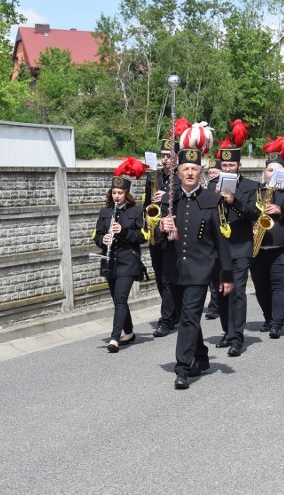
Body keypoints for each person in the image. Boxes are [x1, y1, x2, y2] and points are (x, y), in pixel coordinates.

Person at [156, 148, 233, 389]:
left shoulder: (213, 200)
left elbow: (222, 241)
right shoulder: (169, 200)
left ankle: (182, 367)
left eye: (194, 169)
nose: (190, 173)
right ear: (177, 173)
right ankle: (201, 356)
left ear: (201, 173)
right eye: (185, 169)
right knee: (187, 317)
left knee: (189, 318)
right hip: (173, 269)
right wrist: (161, 227)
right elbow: (155, 239)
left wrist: (226, 274)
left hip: (200, 270)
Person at [250, 153, 284, 338]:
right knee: (261, 286)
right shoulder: (255, 190)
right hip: (258, 246)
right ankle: (268, 317)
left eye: (277, 170)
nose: (273, 173)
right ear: (265, 172)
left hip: (283, 247)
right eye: (270, 170)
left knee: (280, 286)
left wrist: (281, 210)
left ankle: (277, 323)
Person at [214, 146, 259, 357]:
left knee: (238, 292)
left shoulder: (251, 186)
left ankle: (237, 338)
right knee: (222, 292)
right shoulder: (213, 186)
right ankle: (227, 331)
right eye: (225, 165)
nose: (228, 168)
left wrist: (235, 201)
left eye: (232, 165)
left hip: (240, 246)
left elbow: (255, 213)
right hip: (219, 249)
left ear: (239, 165)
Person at [94, 175, 145, 353]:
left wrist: (123, 231)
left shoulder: (137, 212)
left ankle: (115, 338)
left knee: (121, 299)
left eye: (120, 193)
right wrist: (103, 239)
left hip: (128, 261)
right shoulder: (105, 212)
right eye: (114, 192)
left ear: (126, 194)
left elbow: (142, 237)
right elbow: (96, 235)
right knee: (118, 300)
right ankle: (129, 332)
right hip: (111, 262)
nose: (116, 196)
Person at [147, 139, 180, 338]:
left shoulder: (182, 177)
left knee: (168, 278)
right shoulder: (154, 177)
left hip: (172, 232)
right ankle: (174, 312)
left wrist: (167, 198)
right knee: (160, 278)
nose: (165, 159)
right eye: (163, 155)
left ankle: (166, 320)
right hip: (156, 232)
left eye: (169, 155)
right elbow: (147, 204)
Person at [204, 158, 222, 320]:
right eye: (209, 173)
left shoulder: (221, 185)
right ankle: (214, 305)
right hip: (210, 235)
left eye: (214, 173)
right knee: (213, 275)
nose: (211, 176)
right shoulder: (208, 186)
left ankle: (217, 305)